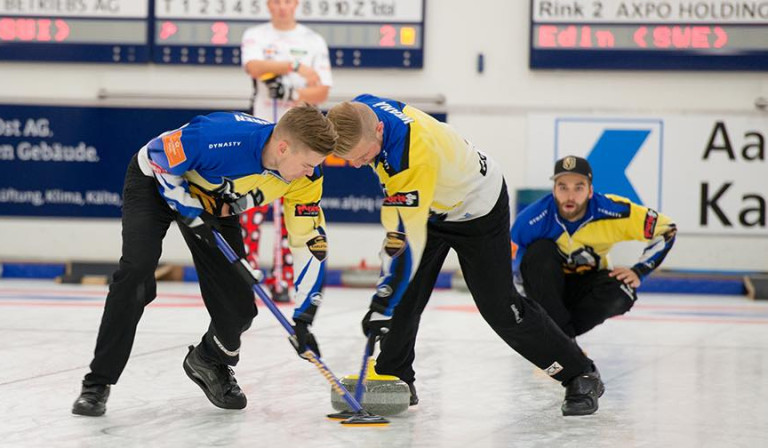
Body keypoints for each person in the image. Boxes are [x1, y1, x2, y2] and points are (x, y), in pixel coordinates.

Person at [326, 95, 604, 416]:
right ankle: (396, 376)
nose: (359, 164)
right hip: (433, 204)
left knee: (502, 309)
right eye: (352, 160)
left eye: (363, 156)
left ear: (378, 130)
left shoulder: (413, 154)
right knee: (405, 295)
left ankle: (580, 373)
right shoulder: (360, 110)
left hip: (477, 208)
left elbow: (405, 237)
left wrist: (382, 302)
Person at [72, 105, 337, 417]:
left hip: (215, 203)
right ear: (283, 147)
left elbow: (308, 242)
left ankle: (209, 360)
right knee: (135, 274)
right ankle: (97, 382)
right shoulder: (221, 137)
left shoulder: (308, 177)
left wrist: (305, 315)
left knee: (239, 307)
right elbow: (158, 156)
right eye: (307, 164)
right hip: (155, 184)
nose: (311, 172)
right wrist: (188, 209)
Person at [511, 155, 677, 340]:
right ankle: (562, 344)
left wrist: (640, 271)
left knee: (623, 291)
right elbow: (511, 265)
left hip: (586, 288)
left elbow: (666, 229)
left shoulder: (613, 211)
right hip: (545, 290)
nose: (570, 196)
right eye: (563, 187)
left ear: (590, 191)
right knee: (539, 251)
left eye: (579, 187)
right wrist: (523, 310)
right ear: (554, 190)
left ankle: (558, 341)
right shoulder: (531, 220)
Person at [239, 0, 333, 302]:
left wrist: (293, 91)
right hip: (262, 135)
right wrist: (293, 67)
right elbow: (254, 67)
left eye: (288, 2)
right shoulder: (256, 34)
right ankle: (246, 277)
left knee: (292, 210)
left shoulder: (313, 40)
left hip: (300, 138)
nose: (282, 7)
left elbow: (321, 88)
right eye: (276, 2)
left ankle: (284, 279)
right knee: (250, 209)